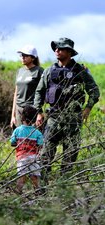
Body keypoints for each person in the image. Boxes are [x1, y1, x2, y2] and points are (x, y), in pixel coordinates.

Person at [34, 37, 100, 182]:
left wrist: (88, 108)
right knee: (45, 154)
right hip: (53, 118)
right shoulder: (49, 71)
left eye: (61, 48)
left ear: (69, 52)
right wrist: (39, 112)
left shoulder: (80, 71)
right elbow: (39, 91)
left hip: (73, 120)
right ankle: (43, 188)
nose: (56, 50)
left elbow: (94, 90)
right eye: (56, 48)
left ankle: (63, 189)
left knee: (70, 155)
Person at [10, 105, 43, 194]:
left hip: (22, 157)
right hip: (34, 157)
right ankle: (37, 191)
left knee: (22, 175)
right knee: (35, 176)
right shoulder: (37, 133)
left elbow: (12, 143)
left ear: (22, 117)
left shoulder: (17, 130)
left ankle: (18, 191)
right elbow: (40, 145)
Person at [10, 45, 44, 129]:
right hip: (18, 110)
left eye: (26, 56)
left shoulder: (39, 71)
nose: (23, 57)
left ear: (33, 58)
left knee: (32, 139)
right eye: (22, 55)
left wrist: (39, 113)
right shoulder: (20, 71)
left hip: (31, 110)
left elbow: (43, 92)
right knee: (19, 139)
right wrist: (13, 116)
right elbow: (16, 93)